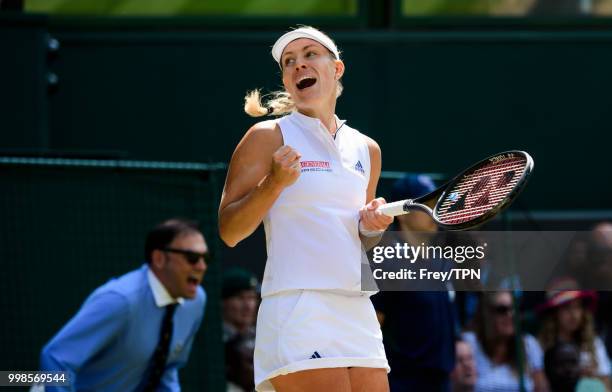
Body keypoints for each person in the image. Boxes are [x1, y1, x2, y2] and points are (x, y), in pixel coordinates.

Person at [218, 26, 393, 391]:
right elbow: (230, 231)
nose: (299, 65)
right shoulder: (267, 136)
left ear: (336, 69)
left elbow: (359, 240)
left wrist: (373, 227)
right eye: (289, 62)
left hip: (356, 306)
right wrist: (275, 183)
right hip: (298, 306)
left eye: (310, 54)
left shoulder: (367, 149)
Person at [40, 219, 208, 391]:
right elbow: (55, 358)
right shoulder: (119, 301)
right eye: (192, 258)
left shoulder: (195, 302)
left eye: (206, 258)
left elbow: (167, 368)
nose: (202, 266)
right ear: (159, 258)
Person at [371, 174, 457, 391]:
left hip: (442, 382)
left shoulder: (443, 262)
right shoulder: (384, 261)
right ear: (402, 213)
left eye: (436, 202)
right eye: (426, 203)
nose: (434, 210)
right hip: (402, 382)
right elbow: (371, 327)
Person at [463, 291, 547, 392]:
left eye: (514, 308)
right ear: (487, 314)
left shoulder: (529, 344)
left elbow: (541, 388)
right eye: (502, 310)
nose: (510, 314)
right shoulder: (469, 343)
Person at [537, 277, 611, 390]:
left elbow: (607, 386)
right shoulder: (540, 346)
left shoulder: (594, 343)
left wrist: (593, 377)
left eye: (577, 307)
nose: (574, 314)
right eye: (566, 308)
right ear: (555, 313)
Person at [222, 267, 259, 342]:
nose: (248, 306)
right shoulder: (213, 339)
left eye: (251, 298)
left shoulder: (262, 338)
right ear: (224, 301)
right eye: (240, 298)